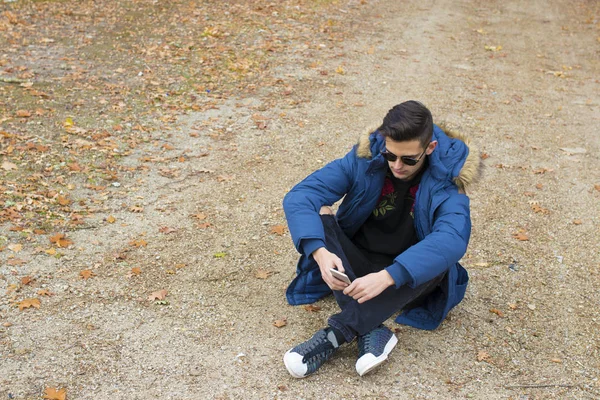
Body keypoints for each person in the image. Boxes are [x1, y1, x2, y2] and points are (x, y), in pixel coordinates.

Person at [282, 101, 481, 378]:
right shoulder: (364, 159)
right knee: (319, 209)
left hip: (407, 278)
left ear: (430, 148)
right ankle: (374, 329)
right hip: (355, 264)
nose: (397, 165)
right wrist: (319, 252)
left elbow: (452, 239)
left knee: (438, 258)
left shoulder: (448, 180)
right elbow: (301, 196)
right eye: (390, 155)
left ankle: (337, 332)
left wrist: (389, 275)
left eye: (409, 159)